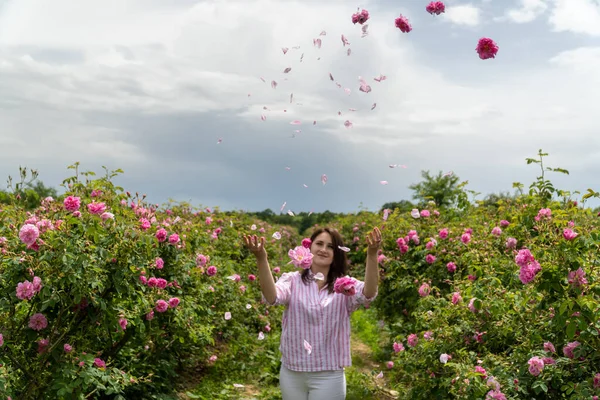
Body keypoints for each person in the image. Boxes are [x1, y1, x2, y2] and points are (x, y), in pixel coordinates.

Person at [242, 226, 381, 400]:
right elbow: (272, 297)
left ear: (336, 253)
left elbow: (369, 293)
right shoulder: (292, 281)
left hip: (329, 374)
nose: (323, 249)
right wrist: (261, 258)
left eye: (330, 246)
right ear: (309, 248)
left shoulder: (344, 285)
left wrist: (372, 254)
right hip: (293, 372)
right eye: (319, 244)